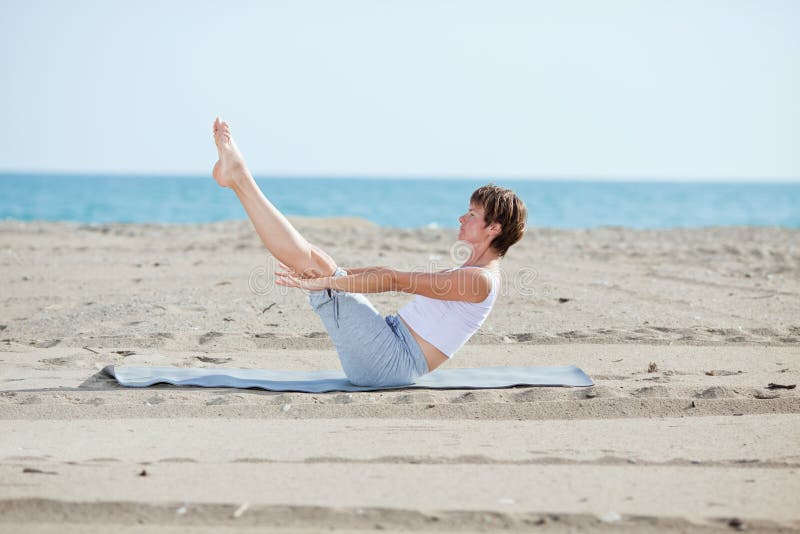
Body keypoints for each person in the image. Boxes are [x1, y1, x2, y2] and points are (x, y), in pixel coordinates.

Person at [211, 118, 527, 387]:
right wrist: (336, 275)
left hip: (393, 362)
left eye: (471, 214)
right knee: (320, 262)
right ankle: (237, 179)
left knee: (316, 265)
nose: (462, 218)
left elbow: (393, 280)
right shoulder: (470, 272)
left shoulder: (481, 281)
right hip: (390, 343)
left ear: (493, 228)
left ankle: (239, 177)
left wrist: (330, 282)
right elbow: (387, 271)